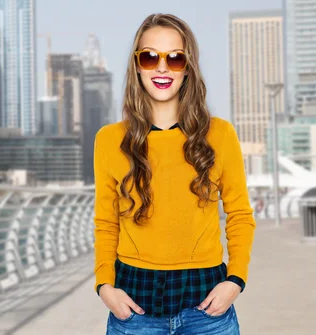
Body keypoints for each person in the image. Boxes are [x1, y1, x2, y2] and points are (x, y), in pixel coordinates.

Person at [93, 13, 256, 335]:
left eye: (175, 58)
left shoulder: (220, 134)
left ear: (188, 67)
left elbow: (239, 213)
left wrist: (235, 281)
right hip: (133, 307)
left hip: (208, 306)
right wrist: (104, 287)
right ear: (137, 66)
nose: (163, 67)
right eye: (150, 57)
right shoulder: (109, 139)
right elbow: (105, 221)